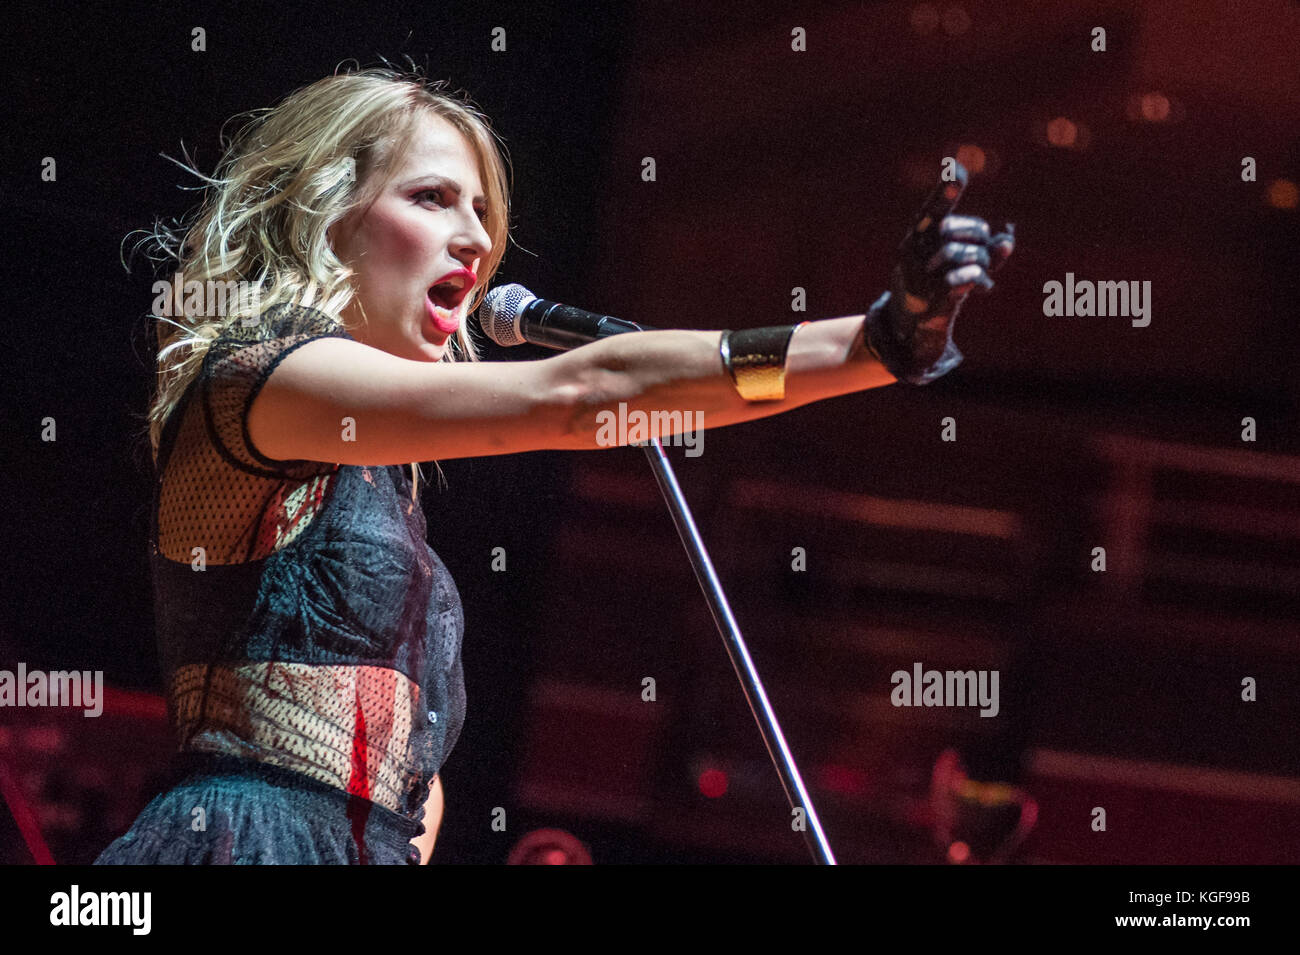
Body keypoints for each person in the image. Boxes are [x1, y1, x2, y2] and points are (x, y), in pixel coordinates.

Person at [94, 67, 1013, 865]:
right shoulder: (259, 381)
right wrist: (875, 342)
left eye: (483, 212)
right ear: (325, 214)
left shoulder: (386, 474)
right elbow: (580, 393)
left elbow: (403, 771)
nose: (476, 240)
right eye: (431, 198)